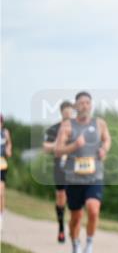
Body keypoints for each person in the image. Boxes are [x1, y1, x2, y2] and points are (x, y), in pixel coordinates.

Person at [54, 92, 111, 253]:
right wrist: (73, 146)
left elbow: (107, 139)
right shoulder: (67, 126)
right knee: (76, 217)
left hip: (94, 177)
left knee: (93, 210)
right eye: (81, 103)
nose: (85, 106)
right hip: (73, 179)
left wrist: (104, 150)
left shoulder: (99, 123)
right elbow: (58, 150)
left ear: (91, 105)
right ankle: (76, 247)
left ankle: (89, 248)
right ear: (76, 106)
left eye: (87, 103)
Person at [42, 101, 75, 242]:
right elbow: (45, 147)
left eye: (70, 110)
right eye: (65, 110)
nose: (68, 113)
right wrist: (58, 144)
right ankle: (61, 227)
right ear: (61, 112)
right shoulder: (54, 129)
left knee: (74, 197)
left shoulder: (79, 127)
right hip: (59, 167)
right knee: (61, 197)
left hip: (76, 167)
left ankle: (73, 227)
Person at [0, 114, 11, 224]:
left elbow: (9, 149)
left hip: (1, 164)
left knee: (1, 192)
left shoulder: (5, 133)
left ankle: (1, 217)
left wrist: (8, 149)